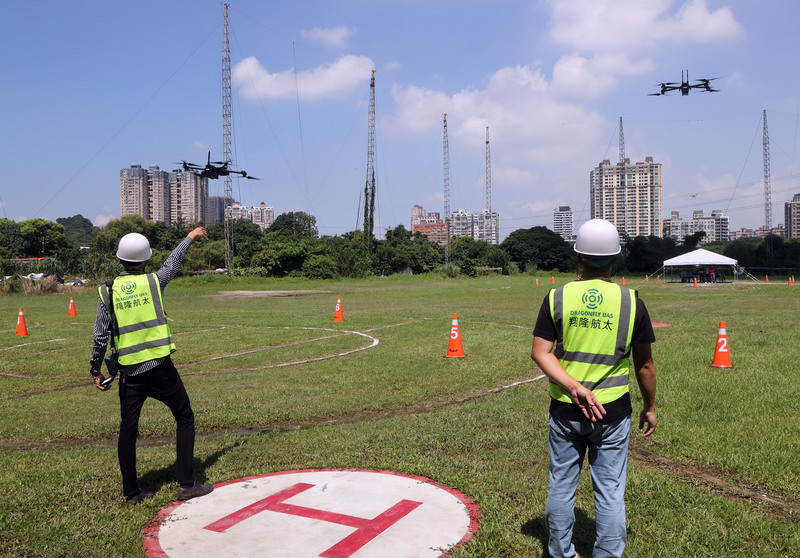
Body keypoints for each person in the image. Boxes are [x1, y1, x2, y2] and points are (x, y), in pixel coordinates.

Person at [531, 219, 657, 558]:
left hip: (565, 411)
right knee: (610, 492)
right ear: (614, 260)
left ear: (579, 260)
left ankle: (560, 552)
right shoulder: (632, 303)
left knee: (561, 486)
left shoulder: (557, 296)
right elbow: (644, 365)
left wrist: (573, 387)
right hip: (612, 413)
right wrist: (650, 406)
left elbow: (540, 353)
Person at [89, 228, 214, 505]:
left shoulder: (107, 291)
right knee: (184, 417)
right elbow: (174, 262)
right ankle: (186, 484)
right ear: (146, 260)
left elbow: (100, 336)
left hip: (129, 373)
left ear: (120, 260)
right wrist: (189, 237)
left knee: (128, 431)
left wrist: (96, 370)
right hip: (160, 367)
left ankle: (132, 493)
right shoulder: (155, 281)